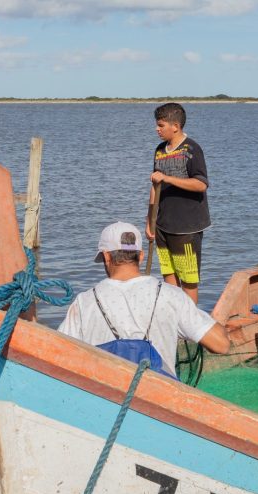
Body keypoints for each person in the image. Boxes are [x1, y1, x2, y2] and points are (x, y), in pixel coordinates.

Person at [59, 222, 230, 378]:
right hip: (160, 399)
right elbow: (221, 345)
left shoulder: (84, 302)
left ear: (106, 257)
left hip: (104, 397)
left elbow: (59, 353)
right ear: (140, 256)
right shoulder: (171, 295)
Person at [146, 103, 209, 304]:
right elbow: (154, 185)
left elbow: (201, 184)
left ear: (175, 126)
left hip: (186, 227)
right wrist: (149, 222)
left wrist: (167, 178)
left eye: (161, 125)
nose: (157, 129)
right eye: (157, 125)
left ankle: (190, 328)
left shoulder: (192, 149)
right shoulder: (159, 150)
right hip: (162, 224)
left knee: (189, 280)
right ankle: (175, 323)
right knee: (168, 276)